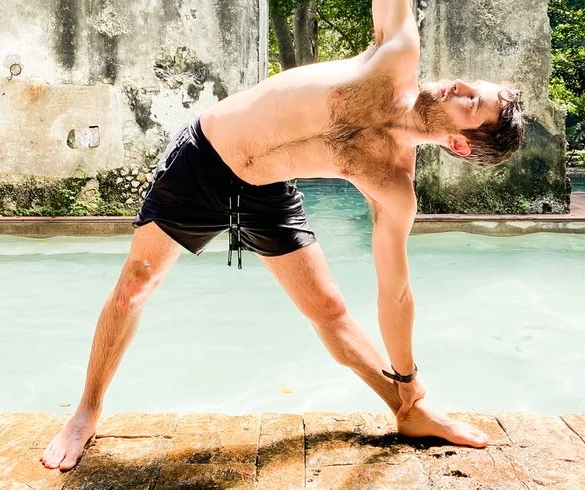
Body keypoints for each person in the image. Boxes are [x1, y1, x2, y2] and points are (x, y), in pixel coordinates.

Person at [41, 0, 524, 470]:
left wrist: (408, 375)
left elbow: (395, 293)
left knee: (330, 310)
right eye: (471, 85)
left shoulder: (394, 186)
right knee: (134, 287)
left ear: (459, 144)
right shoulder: (396, 52)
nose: (460, 86)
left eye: (472, 102)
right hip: (204, 159)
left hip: (264, 189)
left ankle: (410, 408)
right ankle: (86, 413)